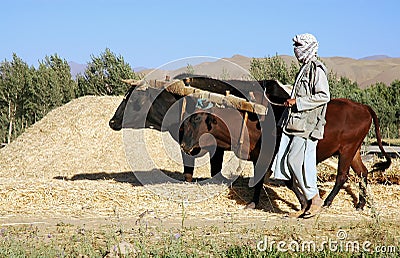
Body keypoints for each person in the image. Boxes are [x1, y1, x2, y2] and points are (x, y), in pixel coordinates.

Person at [271, 33, 330, 218]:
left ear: (309, 46)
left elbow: (323, 96)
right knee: (290, 163)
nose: (296, 48)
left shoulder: (316, 69)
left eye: (299, 45)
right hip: (295, 123)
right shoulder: (305, 68)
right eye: (295, 44)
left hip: (307, 125)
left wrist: (298, 102)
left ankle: (314, 198)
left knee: (295, 162)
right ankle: (306, 204)